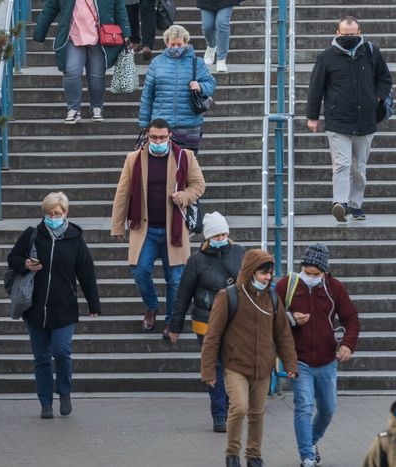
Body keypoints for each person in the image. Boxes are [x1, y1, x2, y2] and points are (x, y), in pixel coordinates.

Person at [6, 192, 101, 418]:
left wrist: (93, 303)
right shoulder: (33, 234)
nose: (52, 217)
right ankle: (45, 402)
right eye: (49, 213)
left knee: (61, 352)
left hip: (64, 308)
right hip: (35, 308)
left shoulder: (75, 239)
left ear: (65, 213)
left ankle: (65, 392)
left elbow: (86, 273)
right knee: (41, 358)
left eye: (57, 213)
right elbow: (12, 258)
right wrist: (25, 264)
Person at [201, 249, 299, 467]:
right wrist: (208, 370)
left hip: (263, 366)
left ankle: (254, 455)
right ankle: (232, 454)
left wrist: (290, 363)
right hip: (236, 365)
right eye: (263, 273)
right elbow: (212, 335)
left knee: (257, 413)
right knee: (239, 408)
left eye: (270, 273)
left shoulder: (272, 298)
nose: (268, 277)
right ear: (250, 271)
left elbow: (282, 334)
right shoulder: (228, 296)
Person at [111, 117, 206, 337]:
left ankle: (171, 320)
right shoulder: (134, 158)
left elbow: (199, 185)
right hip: (145, 229)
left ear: (169, 136)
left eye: (162, 137)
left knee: (175, 279)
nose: (158, 141)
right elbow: (122, 193)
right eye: (153, 137)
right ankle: (151, 306)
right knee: (140, 271)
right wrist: (117, 226)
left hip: (174, 229)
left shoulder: (184, 156)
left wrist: (184, 196)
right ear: (148, 136)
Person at [277, 243, 361, 467]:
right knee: (304, 406)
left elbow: (351, 319)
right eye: (307, 272)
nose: (310, 277)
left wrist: (347, 345)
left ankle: (311, 442)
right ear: (301, 267)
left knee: (328, 409)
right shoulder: (287, 285)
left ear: (324, 271)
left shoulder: (334, 288)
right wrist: (291, 318)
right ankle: (307, 456)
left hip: (327, 360)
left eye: (315, 274)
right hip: (299, 359)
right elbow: (270, 315)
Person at [305, 16, 392, 223]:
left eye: (352, 35)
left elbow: (385, 78)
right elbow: (315, 88)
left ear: (359, 33)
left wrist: (376, 97)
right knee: (342, 164)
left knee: (359, 167)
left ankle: (355, 205)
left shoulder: (371, 52)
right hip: (338, 121)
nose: (348, 38)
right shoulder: (327, 57)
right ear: (337, 33)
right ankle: (340, 203)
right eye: (345, 35)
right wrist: (312, 117)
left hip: (366, 119)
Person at [166, 211, 247, 433]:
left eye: (224, 235)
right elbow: (183, 294)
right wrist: (175, 326)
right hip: (206, 321)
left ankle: (231, 406)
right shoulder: (196, 261)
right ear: (208, 238)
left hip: (235, 319)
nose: (221, 239)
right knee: (215, 365)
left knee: (232, 364)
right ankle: (219, 413)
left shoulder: (239, 253)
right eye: (217, 236)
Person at [34, 0, 130, 124]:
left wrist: (126, 31)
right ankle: (73, 109)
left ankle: (97, 107)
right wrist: (40, 32)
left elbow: (119, 5)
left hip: (99, 37)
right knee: (71, 71)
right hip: (73, 36)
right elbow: (50, 7)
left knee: (97, 75)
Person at [139, 25, 218, 153]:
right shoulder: (156, 63)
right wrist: (145, 123)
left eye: (179, 44)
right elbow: (147, 95)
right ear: (167, 43)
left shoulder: (197, 62)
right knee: (164, 162)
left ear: (186, 43)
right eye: (172, 44)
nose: (176, 48)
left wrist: (201, 87)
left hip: (190, 124)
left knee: (188, 162)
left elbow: (211, 84)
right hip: (163, 125)